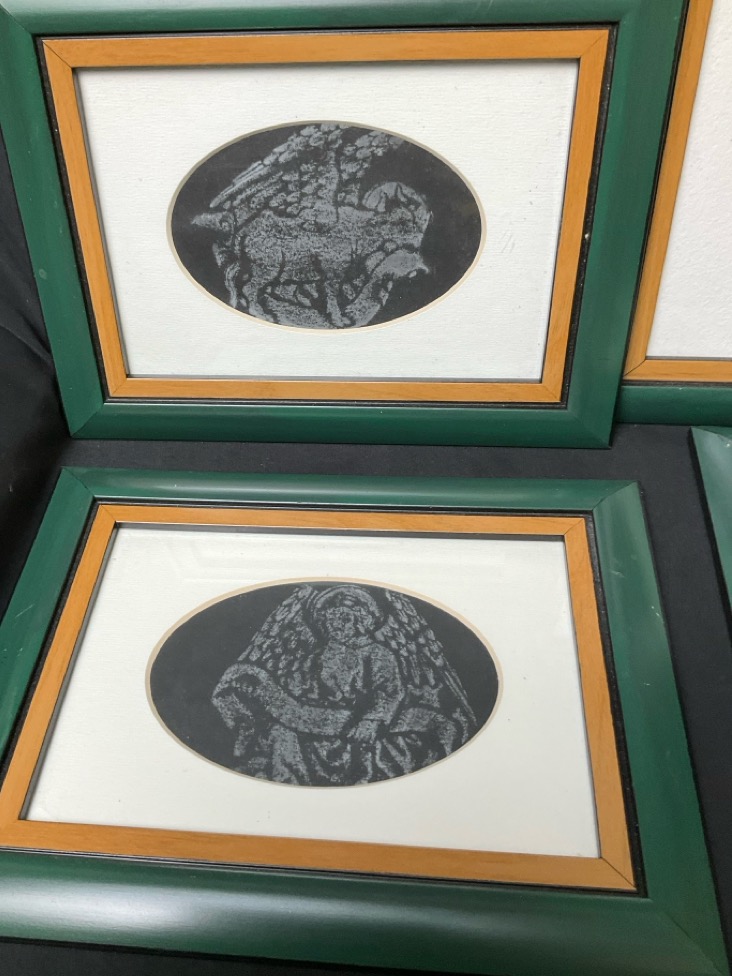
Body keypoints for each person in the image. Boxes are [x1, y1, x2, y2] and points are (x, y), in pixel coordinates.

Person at [211, 583, 476, 786]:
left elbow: (389, 692)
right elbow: (303, 687)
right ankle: (285, 783)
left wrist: (372, 721)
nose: (336, 625)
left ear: (361, 621)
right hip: (319, 719)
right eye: (331, 620)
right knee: (281, 734)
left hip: (360, 722)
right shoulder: (319, 654)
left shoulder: (378, 653)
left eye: (344, 619)